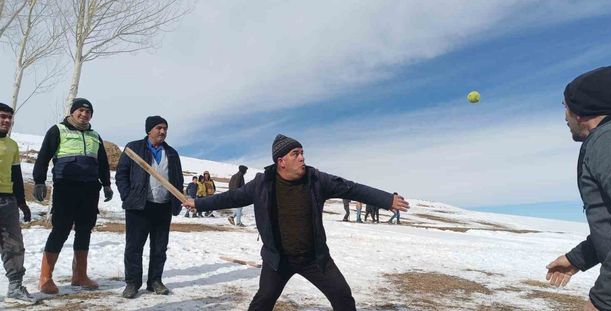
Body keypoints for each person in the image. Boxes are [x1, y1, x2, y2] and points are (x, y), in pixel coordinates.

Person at [184, 134, 409, 311]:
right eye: (295, 153)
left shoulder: (316, 179)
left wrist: (386, 199)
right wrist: (198, 204)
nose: (302, 158)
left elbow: (351, 188)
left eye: (302, 153)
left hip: (314, 258)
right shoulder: (262, 184)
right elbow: (230, 198)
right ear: (281, 161)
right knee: (263, 301)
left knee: (343, 297)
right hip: (278, 260)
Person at [545, 65, 611, 311]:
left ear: (581, 110)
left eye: (565, 107)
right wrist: (579, 258)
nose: (565, 116)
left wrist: (603, 300)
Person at [32, 98, 113, 294]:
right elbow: (43, 157)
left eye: (88, 112)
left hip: (90, 189)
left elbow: (102, 163)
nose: (84, 114)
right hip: (66, 187)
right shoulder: (58, 130)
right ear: (73, 112)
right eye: (81, 111)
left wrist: (107, 184)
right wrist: (39, 181)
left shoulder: (95, 135)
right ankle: (45, 278)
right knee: (61, 229)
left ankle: (80, 275)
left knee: (85, 229)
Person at [115, 116, 184, 299]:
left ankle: (155, 281)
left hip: (163, 207)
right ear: (149, 130)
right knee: (134, 247)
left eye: (165, 128)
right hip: (139, 206)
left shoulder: (172, 153)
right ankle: (132, 283)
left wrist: (177, 199)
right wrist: (127, 195)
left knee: (160, 247)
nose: (162, 131)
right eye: (158, 128)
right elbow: (121, 174)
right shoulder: (134, 148)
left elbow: (178, 179)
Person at [0, 103, 36, 304]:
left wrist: (22, 202)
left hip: (7, 200)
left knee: (13, 245)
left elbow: (16, 175)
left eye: (9, 118)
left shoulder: (12, 145)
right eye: (2, 116)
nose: (6, 121)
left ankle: (15, 288)